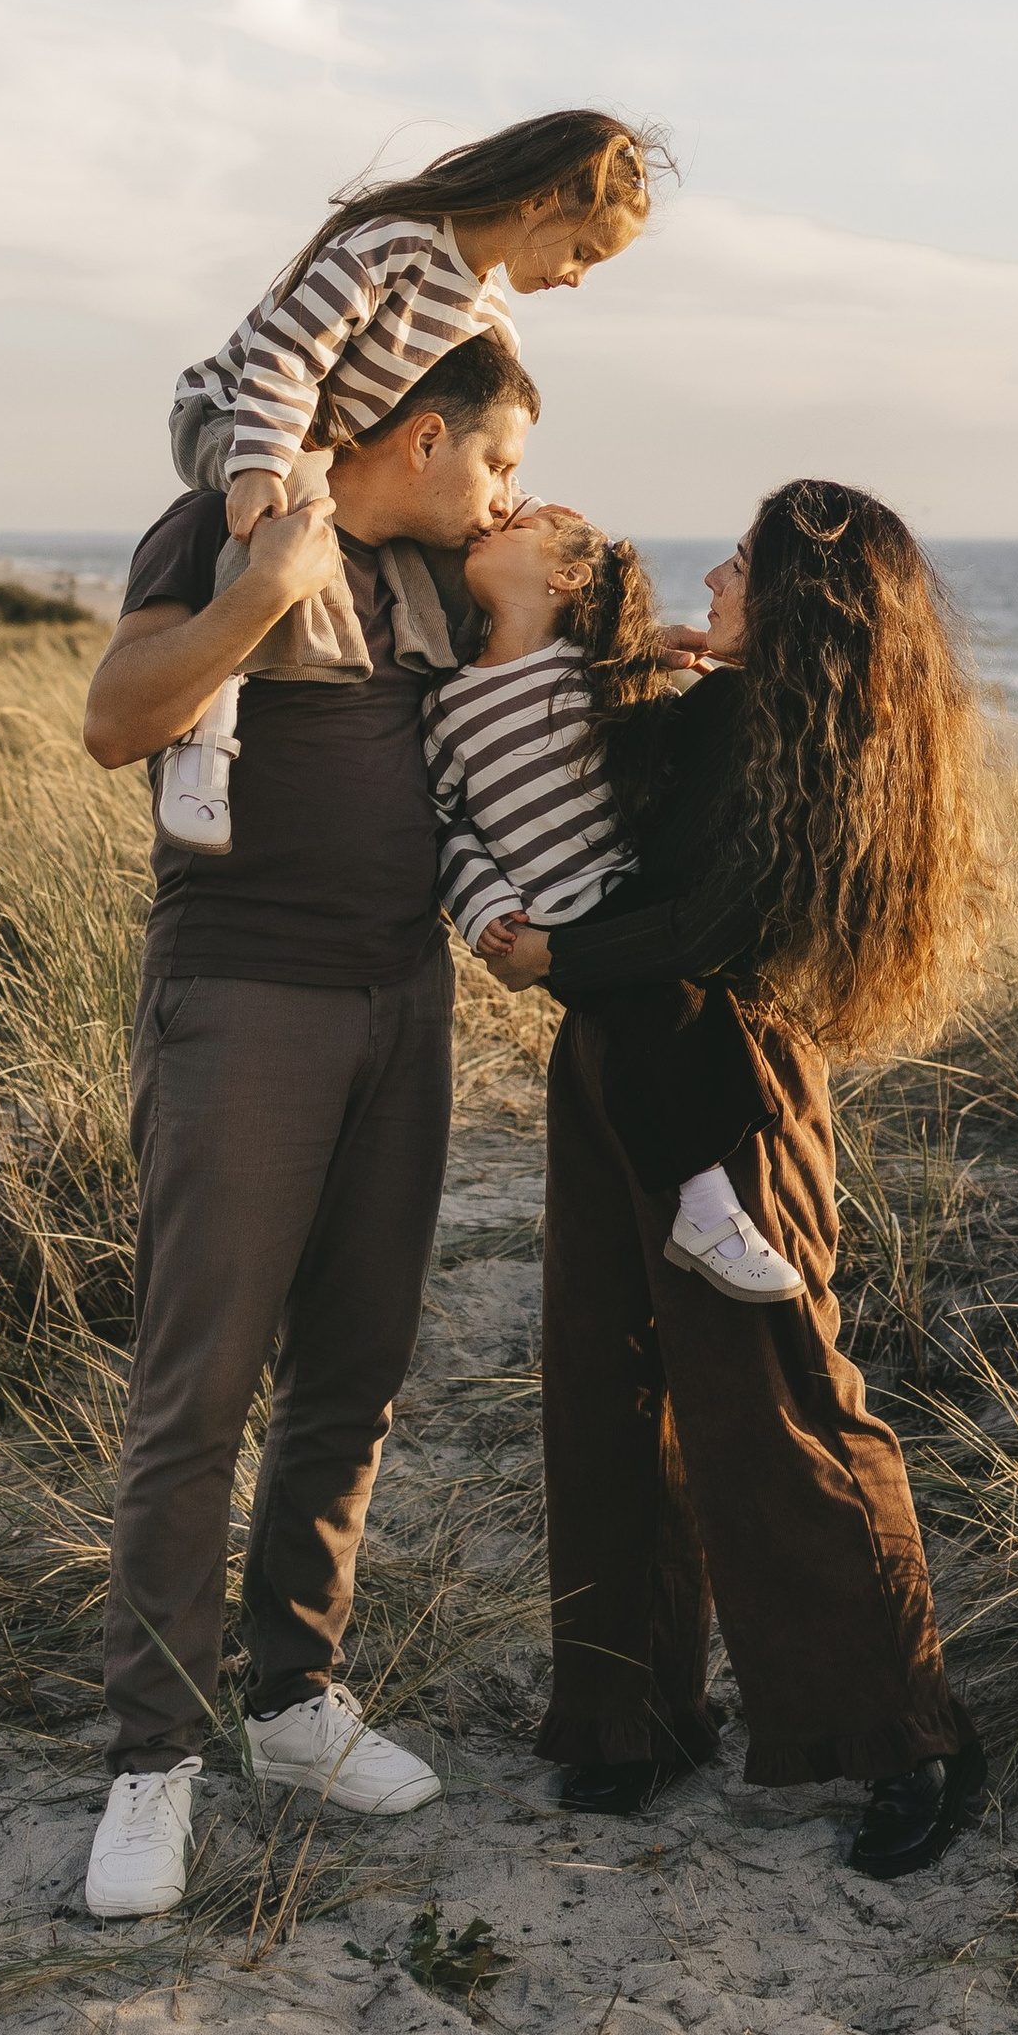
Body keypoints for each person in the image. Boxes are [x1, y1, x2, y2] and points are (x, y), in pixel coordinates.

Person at [77, 329, 538, 1920]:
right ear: (417, 436)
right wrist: (261, 597)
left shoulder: (434, 573)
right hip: (244, 999)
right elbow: (117, 717)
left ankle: (290, 1699)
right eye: (494, 460)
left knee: (354, 1368)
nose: (505, 497)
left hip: (404, 1005)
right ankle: (155, 1762)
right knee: (197, 1391)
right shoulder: (222, 525)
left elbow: (539, 661)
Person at [483, 479, 996, 1881]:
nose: (714, 572)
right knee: (604, 1379)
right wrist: (635, 661)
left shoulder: (832, 745)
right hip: (611, 1066)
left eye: (744, 563)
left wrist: (562, 962)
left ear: (805, 604)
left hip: (725, 1088)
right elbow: (589, 781)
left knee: (777, 1399)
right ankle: (629, 1714)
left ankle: (906, 1735)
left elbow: (717, 917)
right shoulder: (723, 713)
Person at [157, 113, 665, 852]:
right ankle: (206, 732)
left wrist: (522, 517)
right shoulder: (394, 243)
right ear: (539, 202)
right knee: (289, 515)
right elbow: (290, 351)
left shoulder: (489, 320)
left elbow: (478, 440)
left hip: (325, 444)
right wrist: (260, 462)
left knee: (440, 548)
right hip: (237, 410)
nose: (576, 276)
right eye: (583, 251)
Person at [423, 500, 802, 1306]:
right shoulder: (445, 705)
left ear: (565, 577)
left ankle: (719, 1194)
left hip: (626, 885)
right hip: (552, 911)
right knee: (648, 1009)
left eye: (516, 528)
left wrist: (654, 653)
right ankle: (704, 1211)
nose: (491, 523)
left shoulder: (586, 671)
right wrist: (481, 901)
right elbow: (439, 822)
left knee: (673, 1011)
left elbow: (644, 721)